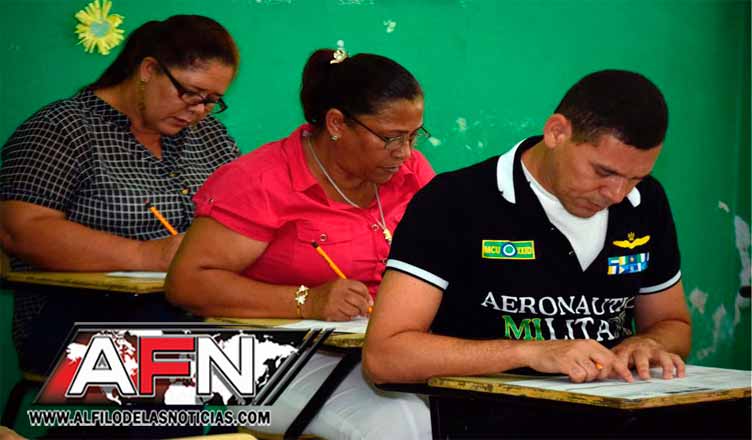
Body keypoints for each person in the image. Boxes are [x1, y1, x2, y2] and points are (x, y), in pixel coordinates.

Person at [166, 48, 435, 439]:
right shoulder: (259, 180)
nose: (405, 153)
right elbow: (188, 283)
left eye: (413, 136)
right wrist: (308, 301)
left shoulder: (411, 173)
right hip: (264, 358)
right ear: (337, 123)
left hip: (381, 350)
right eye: (390, 138)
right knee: (401, 425)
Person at [364, 70, 692, 386]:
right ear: (556, 132)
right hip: (492, 412)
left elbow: (673, 324)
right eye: (603, 172)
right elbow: (384, 357)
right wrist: (529, 353)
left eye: (635, 178)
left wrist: (650, 343)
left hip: (616, 408)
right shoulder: (453, 201)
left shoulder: (646, 201)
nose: (617, 194)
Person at [0, 15, 241, 376]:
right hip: (77, 317)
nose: (198, 110)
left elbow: (247, 216)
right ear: (148, 70)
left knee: (291, 349)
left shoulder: (211, 137)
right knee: (195, 359)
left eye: (211, 100)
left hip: (196, 306)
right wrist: (148, 255)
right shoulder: (62, 127)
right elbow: (20, 230)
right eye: (190, 93)